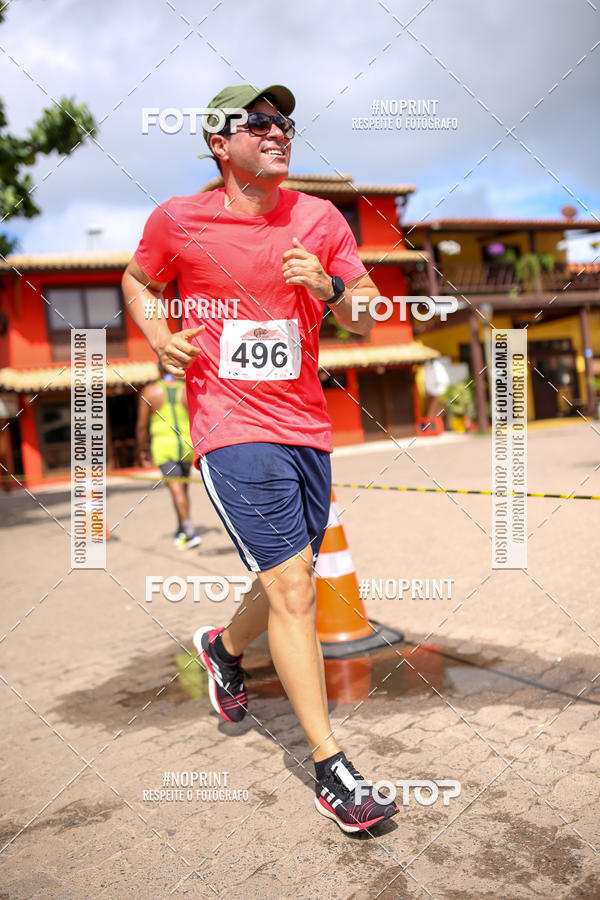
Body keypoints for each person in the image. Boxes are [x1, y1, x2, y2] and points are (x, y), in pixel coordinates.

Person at [122, 83, 398, 832]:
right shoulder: (179, 218)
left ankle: (221, 645)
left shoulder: (318, 218)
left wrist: (335, 287)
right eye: (261, 123)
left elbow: (372, 319)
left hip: (305, 427)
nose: (280, 132)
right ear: (220, 143)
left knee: (292, 576)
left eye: (285, 122)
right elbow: (139, 280)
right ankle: (330, 766)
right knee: (295, 589)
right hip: (228, 425)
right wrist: (155, 333)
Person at [136, 367, 201, 549]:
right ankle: (181, 529)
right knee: (183, 490)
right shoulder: (184, 388)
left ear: (158, 369)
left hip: (164, 447)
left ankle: (189, 533)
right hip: (187, 444)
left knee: (176, 490)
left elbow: (142, 426)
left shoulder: (150, 391)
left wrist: (143, 450)